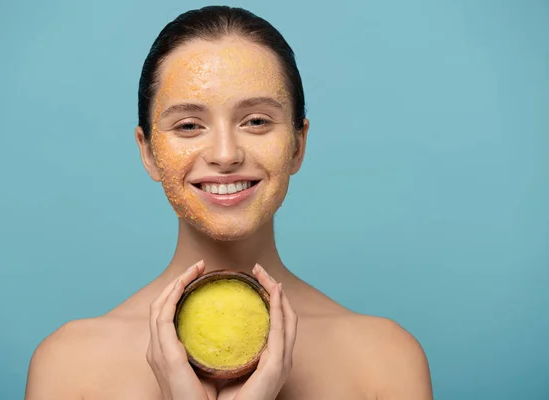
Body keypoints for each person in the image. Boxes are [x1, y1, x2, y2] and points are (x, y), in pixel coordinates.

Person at [25, 6, 433, 399]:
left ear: (297, 144)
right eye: (189, 125)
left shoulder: (385, 360)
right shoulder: (69, 366)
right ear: (147, 151)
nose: (225, 154)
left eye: (256, 121)